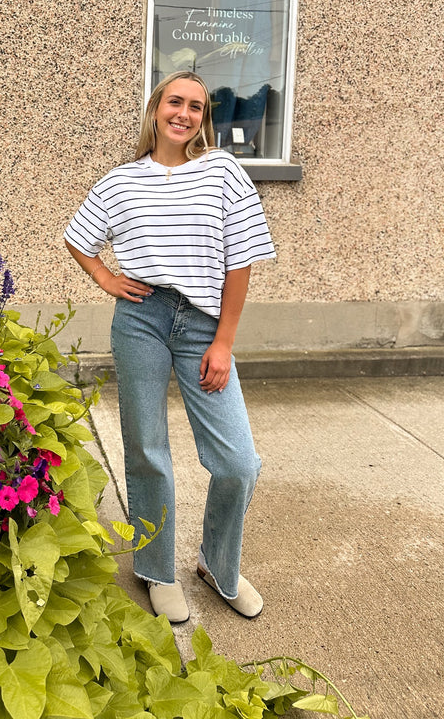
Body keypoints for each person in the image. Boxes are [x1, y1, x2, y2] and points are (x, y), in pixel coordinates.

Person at [64, 70, 275, 624]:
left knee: (238, 462)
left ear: (204, 119)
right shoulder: (120, 181)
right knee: (148, 451)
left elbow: (241, 258)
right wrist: (107, 279)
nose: (184, 113)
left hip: (204, 326)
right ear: (156, 108)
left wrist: (224, 340)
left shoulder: (222, 171)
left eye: (196, 107)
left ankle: (217, 564)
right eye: (175, 102)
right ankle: (157, 569)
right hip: (142, 321)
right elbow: (77, 237)